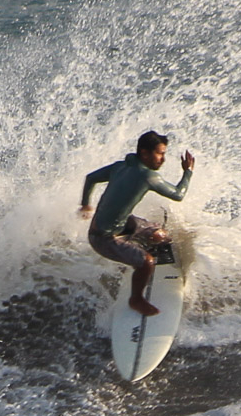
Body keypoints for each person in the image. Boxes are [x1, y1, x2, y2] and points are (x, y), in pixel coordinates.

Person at [80, 130, 195, 316]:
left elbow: (90, 178)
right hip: (103, 238)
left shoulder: (120, 166)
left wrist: (85, 204)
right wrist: (188, 172)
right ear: (144, 153)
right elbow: (178, 194)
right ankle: (136, 299)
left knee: (161, 236)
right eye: (160, 154)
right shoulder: (148, 176)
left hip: (121, 223)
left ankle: (136, 250)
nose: (162, 159)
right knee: (146, 262)